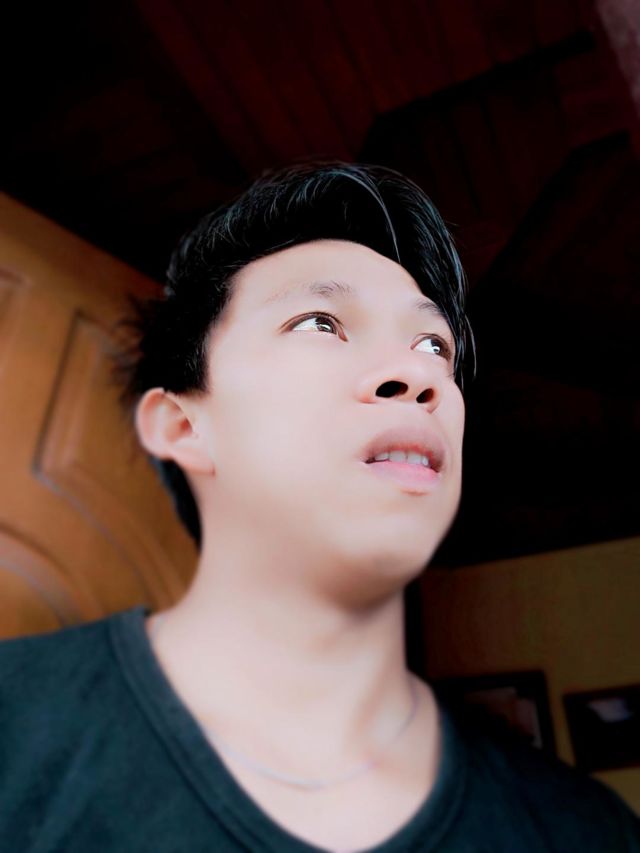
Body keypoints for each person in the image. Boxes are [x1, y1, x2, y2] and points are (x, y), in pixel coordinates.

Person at [0, 162, 638, 852]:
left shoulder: (590, 833)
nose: (419, 374)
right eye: (321, 322)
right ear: (182, 425)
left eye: (434, 346)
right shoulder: (15, 723)